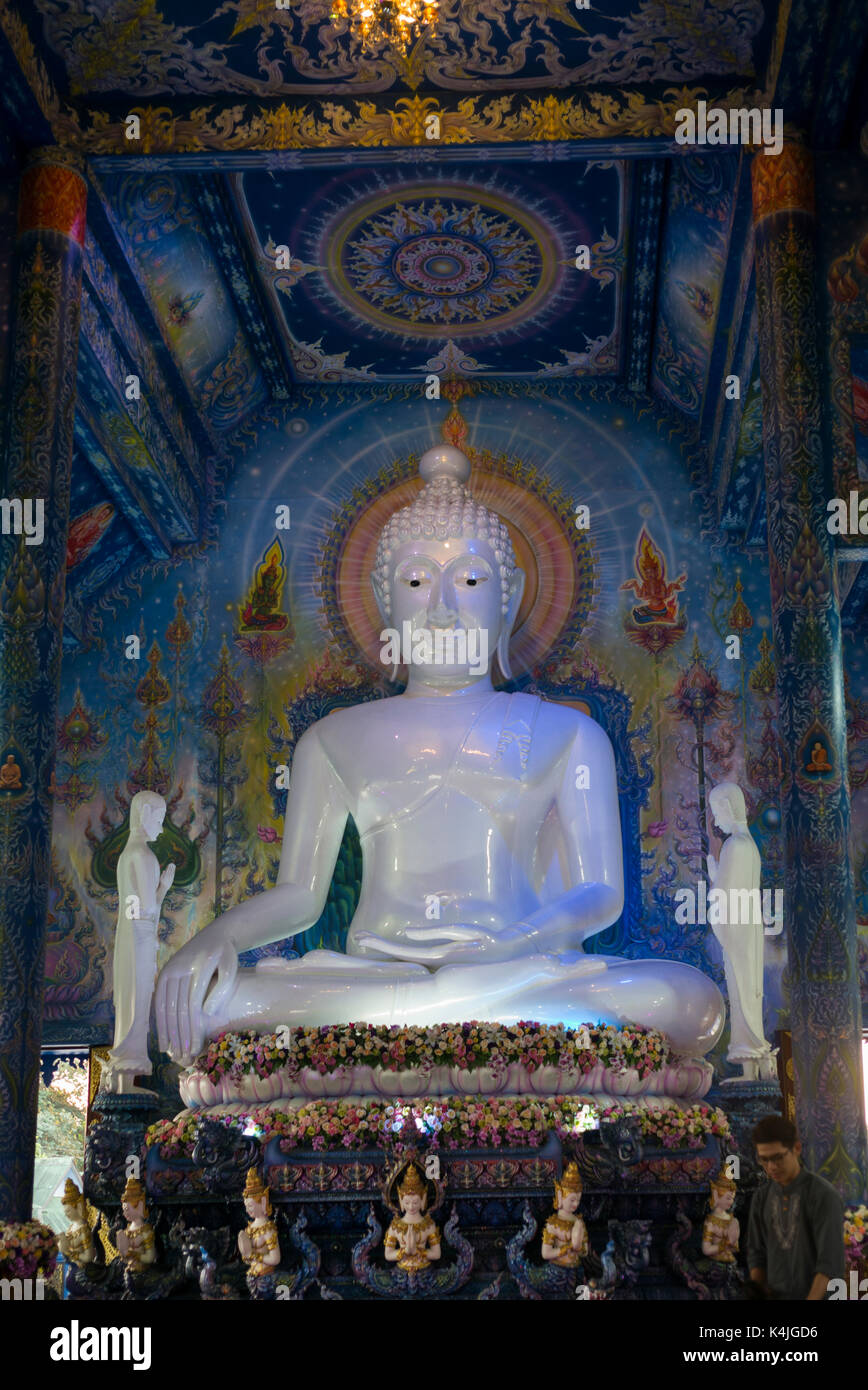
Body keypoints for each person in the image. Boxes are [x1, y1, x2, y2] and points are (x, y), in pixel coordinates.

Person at [747, 1114, 845, 1300]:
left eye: (777, 1158)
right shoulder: (761, 1197)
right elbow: (756, 1255)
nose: (771, 1167)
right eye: (764, 1160)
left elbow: (829, 1264)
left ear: (796, 1148)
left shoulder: (823, 1195)